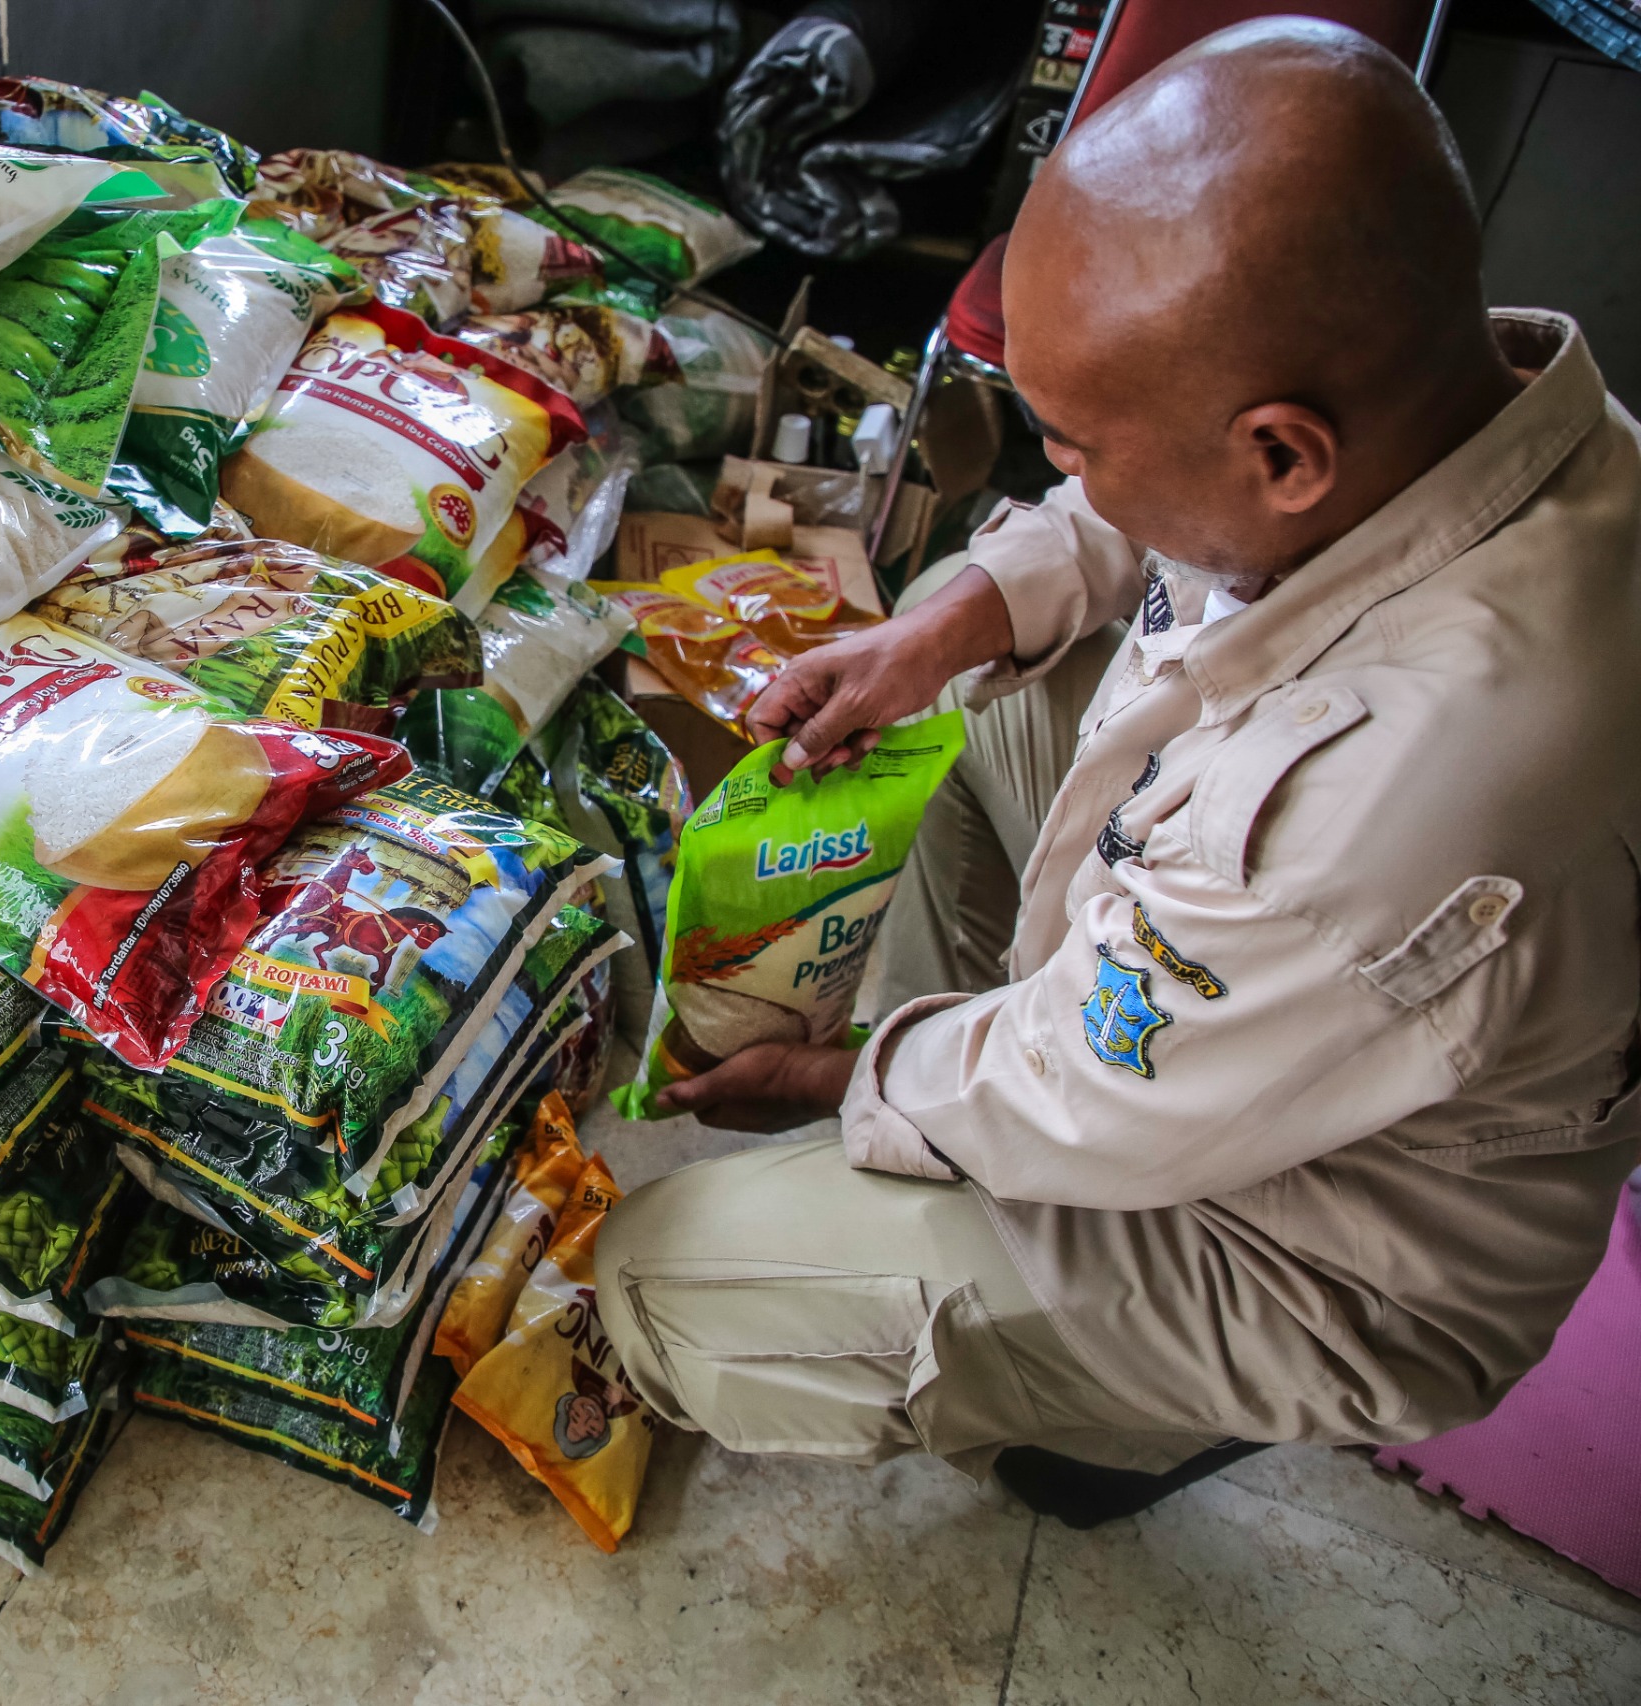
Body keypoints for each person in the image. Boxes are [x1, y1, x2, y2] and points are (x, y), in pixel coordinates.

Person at [591, 17, 1641, 1526]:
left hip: (1297, 1243)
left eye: (1071, 443)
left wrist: (856, 1080)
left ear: (1284, 457)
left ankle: (1129, 1404)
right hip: (1240, 1009)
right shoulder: (1445, 395)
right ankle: (956, 1129)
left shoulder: (1408, 794)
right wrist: (937, 630)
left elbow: (1090, 1085)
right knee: (933, 725)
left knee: (656, 1277)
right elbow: (1137, 507)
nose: (1062, 474)